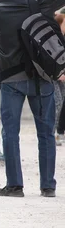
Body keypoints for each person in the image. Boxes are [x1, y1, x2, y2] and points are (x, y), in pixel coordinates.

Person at [0, 0, 65, 198]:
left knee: (10, 132)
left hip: (11, 77)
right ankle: (48, 186)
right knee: (46, 133)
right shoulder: (40, 1)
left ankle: (15, 185)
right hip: (42, 76)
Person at [53, 12, 65, 145]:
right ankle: (53, 133)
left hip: (61, 75)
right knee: (57, 104)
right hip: (55, 76)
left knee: (60, 102)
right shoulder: (56, 39)